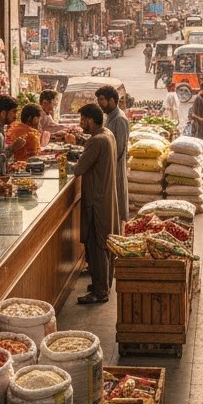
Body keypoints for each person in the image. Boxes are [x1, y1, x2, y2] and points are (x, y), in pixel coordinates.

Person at [72, 103, 119, 304]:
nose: (80, 124)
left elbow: (78, 169)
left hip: (96, 200)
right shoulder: (107, 134)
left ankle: (100, 292)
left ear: (90, 120)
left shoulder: (96, 141)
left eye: (82, 120)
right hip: (105, 197)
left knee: (97, 244)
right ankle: (104, 283)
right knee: (103, 244)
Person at [96, 85, 130, 226]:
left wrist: (102, 161)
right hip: (108, 168)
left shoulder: (119, 119)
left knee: (117, 208)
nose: (100, 104)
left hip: (115, 170)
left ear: (112, 100)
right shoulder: (109, 116)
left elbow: (119, 149)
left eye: (102, 100)